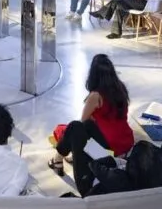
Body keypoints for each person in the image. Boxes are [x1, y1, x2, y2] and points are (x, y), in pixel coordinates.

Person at [48, 54, 134, 196]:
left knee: (73, 128)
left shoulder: (96, 96)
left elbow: (82, 124)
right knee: (77, 127)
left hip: (109, 149)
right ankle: (60, 158)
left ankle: (58, 158)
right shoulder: (121, 88)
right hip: (126, 143)